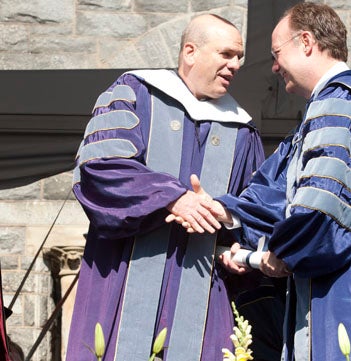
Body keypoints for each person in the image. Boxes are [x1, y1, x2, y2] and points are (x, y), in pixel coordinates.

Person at [182, 3, 351, 361]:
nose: (274, 67)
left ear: (305, 41)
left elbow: (321, 213)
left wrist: (281, 254)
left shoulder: (340, 102)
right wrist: (224, 211)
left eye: (277, 54)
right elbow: (284, 190)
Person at [67, 14, 274, 361]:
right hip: (124, 277)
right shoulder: (135, 93)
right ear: (190, 52)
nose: (236, 64)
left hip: (203, 293)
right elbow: (100, 168)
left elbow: (252, 208)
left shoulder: (242, 130)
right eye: (226, 54)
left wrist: (234, 246)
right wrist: (173, 199)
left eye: (239, 56)